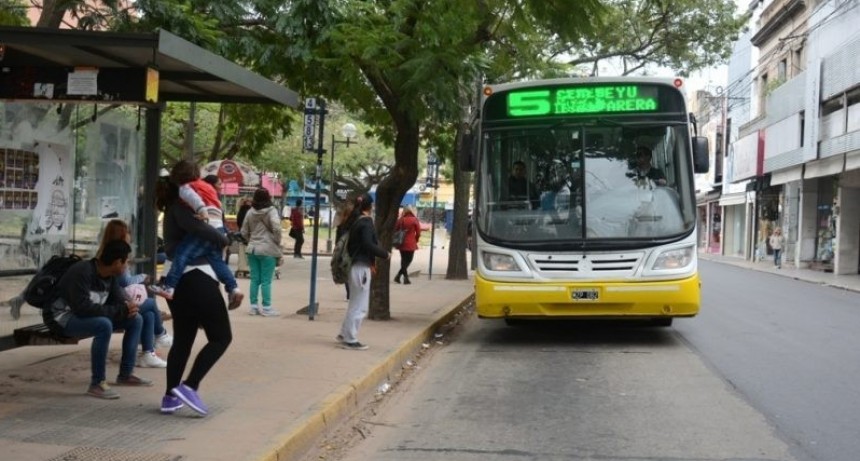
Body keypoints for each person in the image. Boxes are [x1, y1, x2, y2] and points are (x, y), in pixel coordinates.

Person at [157, 165, 233, 416]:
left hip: (178, 280)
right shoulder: (184, 206)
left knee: (183, 339)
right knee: (221, 337)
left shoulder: (174, 206)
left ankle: (170, 396)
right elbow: (201, 230)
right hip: (197, 277)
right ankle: (189, 386)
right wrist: (224, 239)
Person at [42, 239, 151, 399]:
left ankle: (126, 374)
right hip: (61, 317)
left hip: (83, 315)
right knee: (103, 325)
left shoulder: (110, 276)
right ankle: (97, 383)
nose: (127, 266)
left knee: (136, 319)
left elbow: (119, 301)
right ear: (117, 262)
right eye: (126, 262)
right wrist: (120, 310)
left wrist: (129, 307)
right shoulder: (82, 271)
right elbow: (82, 308)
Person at [149, 160, 243, 311]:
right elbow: (203, 224)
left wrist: (221, 237)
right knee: (217, 261)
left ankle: (169, 286)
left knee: (183, 254)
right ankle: (233, 288)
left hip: (181, 268)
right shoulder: (198, 193)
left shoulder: (178, 201)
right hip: (204, 259)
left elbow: (199, 227)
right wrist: (223, 238)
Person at [97, 219, 171, 368]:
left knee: (148, 314)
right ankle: (160, 334)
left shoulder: (105, 252)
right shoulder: (117, 255)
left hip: (117, 301)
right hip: (114, 306)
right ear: (122, 235)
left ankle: (148, 353)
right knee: (150, 304)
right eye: (128, 233)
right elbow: (124, 281)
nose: (131, 236)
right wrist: (142, 277)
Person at [336, 193, 390, 350]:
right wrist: (385, 254)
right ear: (370, 207)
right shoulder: (366, 222)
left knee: (354, 303)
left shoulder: (354, 221)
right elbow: (368, 244)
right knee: (360, 306)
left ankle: (344, 333)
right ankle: (350, 339)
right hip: (361, 267)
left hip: (355, 266)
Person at [240, 188, 283, 316]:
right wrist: (277, 240)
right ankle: (267, 308)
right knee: (266, 280)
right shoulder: (272, 211)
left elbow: (243, 231)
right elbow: (277, 228)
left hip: (252, 249)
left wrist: (251, 240)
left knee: (254, 279)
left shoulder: (250, 212)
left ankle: (253, 307)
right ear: (268, 197)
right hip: (268, 250)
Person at [393, 206, 421, 285]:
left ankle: (400, 276)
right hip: (411, 242)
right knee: (409, 260)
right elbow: (418, 232)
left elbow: (395, 229)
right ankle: (404, 278)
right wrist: (416, 240)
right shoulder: (414, 219)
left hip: (401, 242)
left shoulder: (401, 219)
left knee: (403, 260)